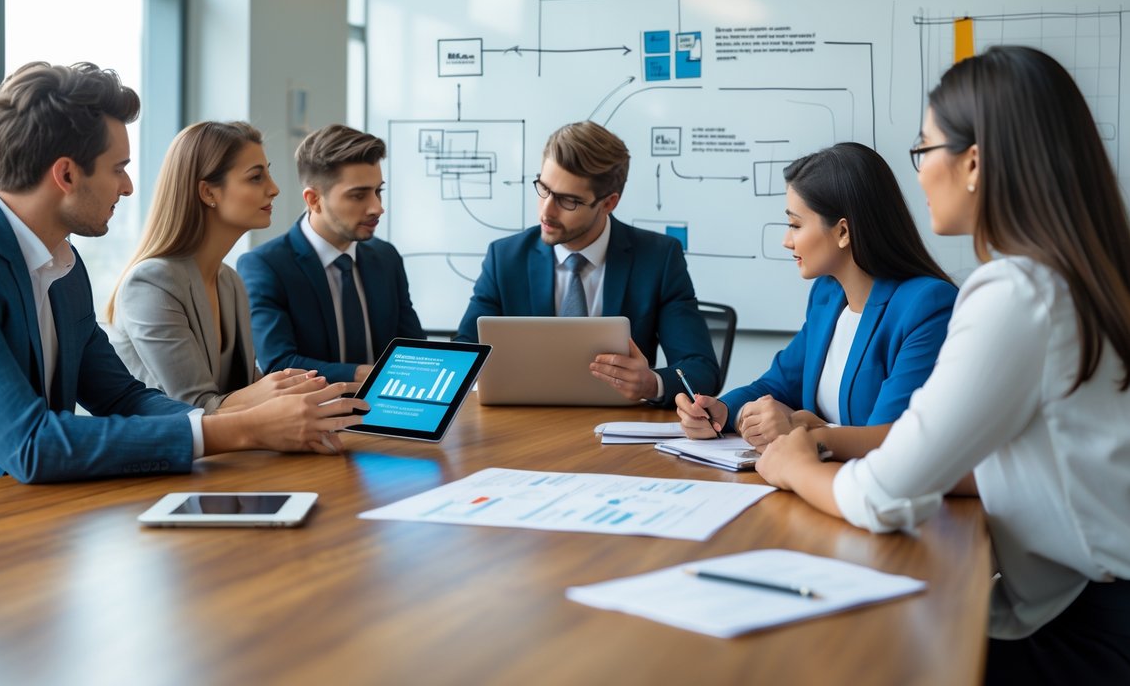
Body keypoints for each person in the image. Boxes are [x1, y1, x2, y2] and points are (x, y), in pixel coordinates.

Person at [756, 47, 1130, 684]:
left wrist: (794, 464)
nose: (920, 170)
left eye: (924, 149)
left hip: (1086, 632)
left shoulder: (1016, 292)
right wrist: (829, 444)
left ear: (974, 162)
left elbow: (882, 497)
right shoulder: (1079, 277)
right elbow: (990, 461)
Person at [0, 62, 366, 494]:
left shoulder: (64, 266)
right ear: (67, 174)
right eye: (119, 168)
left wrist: (253, 426)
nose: (129, 187)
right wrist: (243, 429)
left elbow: (124, 398)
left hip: (23, 520)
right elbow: (32, 443)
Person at [676, 143, 957, 460]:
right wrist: (722, 411)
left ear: (842, 232)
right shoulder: (828, 295)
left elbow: (895, 440)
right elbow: (779, 384)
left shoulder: (926, 306)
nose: (786, 240)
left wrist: (803, 430)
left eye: (795, 224)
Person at [454, 120, 717, 405]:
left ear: (608, 203)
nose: (546, 210)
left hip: (618, 429)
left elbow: (701, 368)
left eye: (568, 201)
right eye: (543, 188)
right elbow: (463, 354)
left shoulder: (658, 258)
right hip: (521, 428)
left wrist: (651, 383)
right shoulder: (505, 258)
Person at [107, 121, 319, 413]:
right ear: (208, 193)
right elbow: (194, 409)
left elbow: (245, 390)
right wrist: (276, 388)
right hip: (169, 456)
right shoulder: (150, 283)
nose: (274, 189)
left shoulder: (229, 282)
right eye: (256, 177)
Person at [237, 124, 425, 383]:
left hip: (393, 411)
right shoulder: (265, 266)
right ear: (314, 200)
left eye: (378, 191)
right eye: (358, 196)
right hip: (314, 417)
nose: (377, 208)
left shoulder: (386, 257)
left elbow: (414, 348)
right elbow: (279, 364)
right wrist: (366, 374)